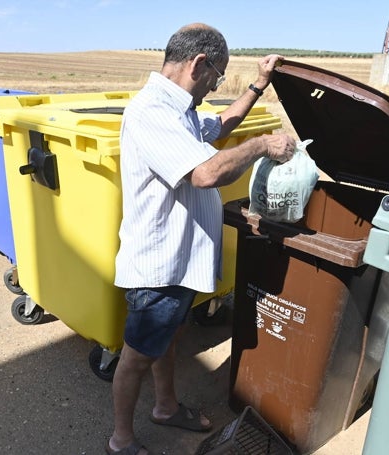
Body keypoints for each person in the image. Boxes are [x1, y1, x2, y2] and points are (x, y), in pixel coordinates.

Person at [106, 23, 296, 455]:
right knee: (136, 357)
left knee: (170, 339)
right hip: (158, 264)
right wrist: (263, 144)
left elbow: (221, 126)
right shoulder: (153, 111)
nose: (216, 86)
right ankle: (120, 440)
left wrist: (257, 85)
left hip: (179, 260)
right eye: (218, 76)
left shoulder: (181, 109)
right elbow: (206, 173)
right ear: (199, 64)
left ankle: (166, 407)